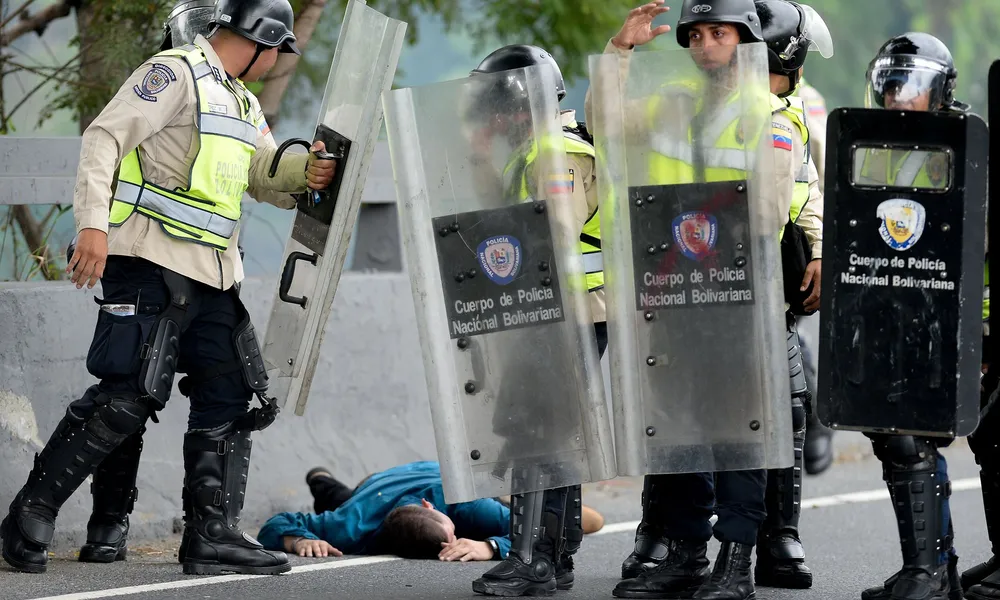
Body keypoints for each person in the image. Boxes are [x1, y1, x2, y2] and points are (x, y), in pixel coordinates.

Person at [0, 0, 337, 576]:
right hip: (147, 260)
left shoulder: (242, 100)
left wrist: (307, 170)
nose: (277, 63)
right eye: (278, 51)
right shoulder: (175, 74)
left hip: (213, 274)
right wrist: (92, 227)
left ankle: (211, 535)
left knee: (230, 392)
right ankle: (30, 513)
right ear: (259, 40)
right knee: (127, 395)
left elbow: (261, 172)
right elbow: (103, 138)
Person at [584, 1, 824, 598]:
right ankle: (685, 553)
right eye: (695, 35)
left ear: (746, 42)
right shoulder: (671, 102)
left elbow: (768, 211)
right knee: (676, 427)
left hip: (738, 294)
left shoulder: (770, 116)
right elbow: (605, 126)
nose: (706, 45)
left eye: (720, 33)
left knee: (739, 429)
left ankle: (736, 562)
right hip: (670, 291)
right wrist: (620, 52)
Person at [464, 44, 610, 597]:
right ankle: (555, 554)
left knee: (536, 431)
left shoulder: (555, 153)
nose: (495, 120)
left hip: (566, 313)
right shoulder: (537, 150)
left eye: (500, 108)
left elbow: (552, 238)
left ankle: (531, 559)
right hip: (555, 312)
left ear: (523, 105)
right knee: (551, 430)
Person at [855, 32, 975, 600]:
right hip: (896, 310)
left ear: (941, 90)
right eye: (891, 84)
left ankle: (930, 574)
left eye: (912, 85)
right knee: (893, 432)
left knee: (915, 435)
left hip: (956, 313)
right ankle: (931, 569)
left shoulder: (967, 143)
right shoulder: (877, 147)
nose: (899, 96)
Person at [751, 0, 830, 591]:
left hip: (775, 276)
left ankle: (781, 534)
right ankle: (676, 538)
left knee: (788, 405)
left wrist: (821, 248)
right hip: (706, 278)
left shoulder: (798, 109)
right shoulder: (701, 107)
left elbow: (811, 183)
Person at [258, 462, 606, 561]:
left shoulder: (465, 505)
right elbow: (275, 526)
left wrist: (490, 545)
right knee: (341, 500)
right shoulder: (353, 528)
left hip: (428, 473)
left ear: (430, 507)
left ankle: (320, 479)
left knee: (584, 521)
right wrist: (298, 540)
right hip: (375, 488)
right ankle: (321, 480)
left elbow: (581, 524)